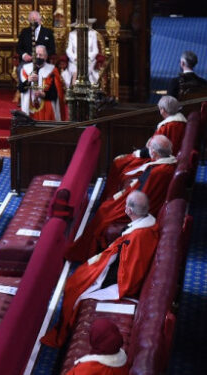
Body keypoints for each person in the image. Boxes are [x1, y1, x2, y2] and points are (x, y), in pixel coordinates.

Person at [41, 191, 158, 348]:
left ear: (129, 211)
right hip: (116, 269)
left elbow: (129, 274)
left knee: (75, 286)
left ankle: (63, 332)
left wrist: (98, 272)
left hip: (120, 282)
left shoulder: (137, 237)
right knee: (77, 279)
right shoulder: (149, 225)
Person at [66, 135, 174, 264]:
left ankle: (86, 251)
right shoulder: (167, 163)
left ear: (154, 153)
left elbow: (145, 195)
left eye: (149, 148)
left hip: (143, 206)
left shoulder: (158, 172)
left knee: (104, 214)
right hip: (139, 196)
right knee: (106, 207)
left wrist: (125, 198)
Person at [102, 95, 186, 199]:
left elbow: (157, 148)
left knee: (119, 163)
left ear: (163, 110)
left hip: (158, 157)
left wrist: (139, 153)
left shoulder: (167, 126)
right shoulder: (178, 122)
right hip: (162, 155)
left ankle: (110, 197)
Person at [19, 45, 66, 121]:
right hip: (30, 109)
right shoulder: (25, 69)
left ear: (46, 57)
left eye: (40, 55)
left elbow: (55, 94)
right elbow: (21, 89)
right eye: (36, 54)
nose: (38, 57)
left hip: (46, 109)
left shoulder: (52, 71)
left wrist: (43, 94)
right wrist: (28, 80)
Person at [66, 19, 100, 85]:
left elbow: (95, 50)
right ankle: (74, 91)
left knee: (82, 71)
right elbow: (68, 50)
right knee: (75, 72)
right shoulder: (72, 34)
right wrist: (75, 58)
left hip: (88, 60)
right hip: (75, 60)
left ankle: (84, 90)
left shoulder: (93, 34)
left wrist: (86, 57)